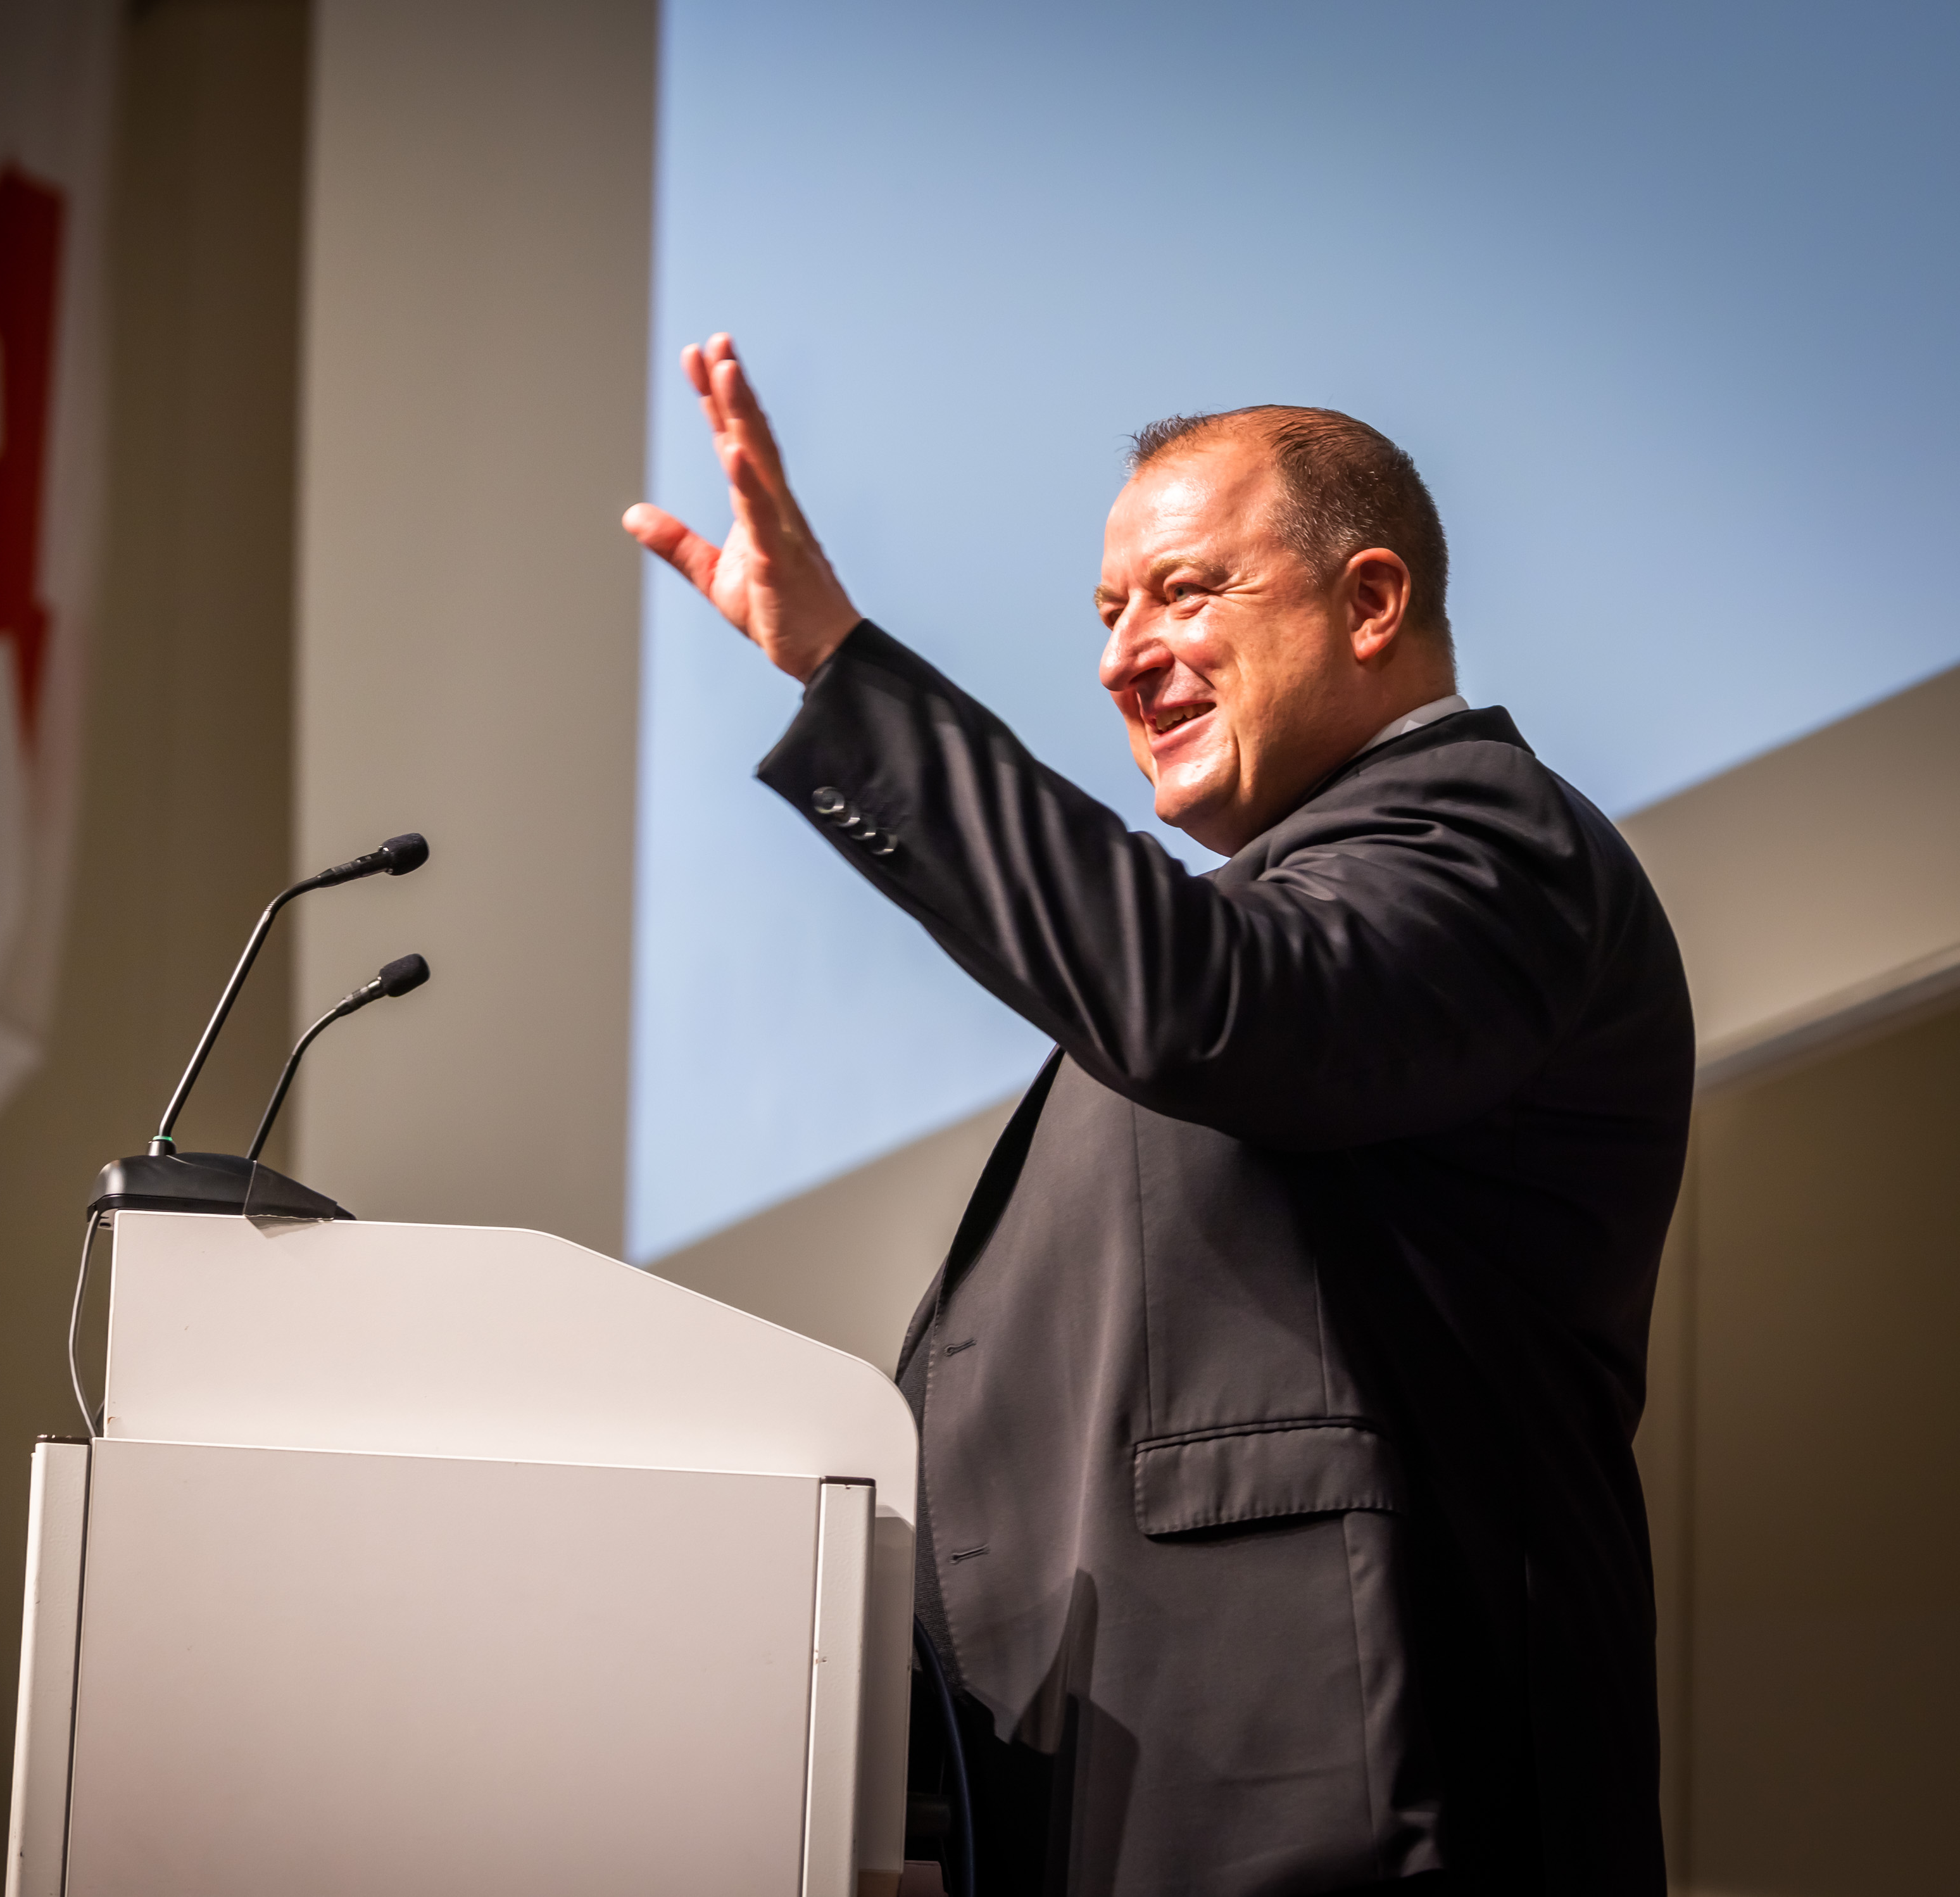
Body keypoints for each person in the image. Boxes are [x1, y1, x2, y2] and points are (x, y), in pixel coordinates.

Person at [624, 337, 1692, 1897]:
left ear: (1371, 602)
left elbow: (1209, 1006)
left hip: (1351, 1785)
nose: (1127, 658)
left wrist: (846, 672)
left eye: (1184, 593)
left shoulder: (1490, 838)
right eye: (1112, 614)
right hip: (1120, 1791)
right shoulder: (1265, 908)